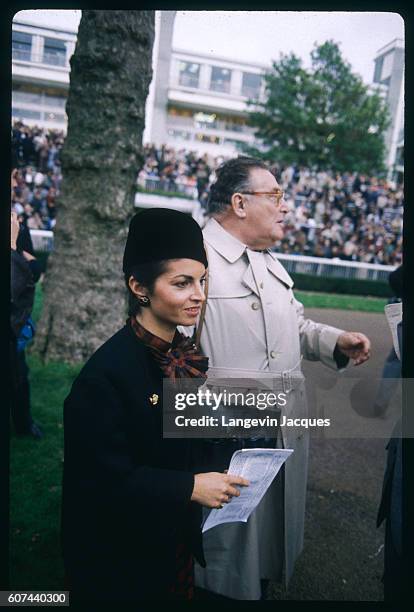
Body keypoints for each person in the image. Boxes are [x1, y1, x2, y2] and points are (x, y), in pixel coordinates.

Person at [194, 157, 371, 600]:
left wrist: (334, 340)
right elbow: (165, 362)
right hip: (223, 440)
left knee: (265, 550)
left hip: (278, 437)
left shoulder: (266, 260)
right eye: (275, 196)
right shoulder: (194, 258)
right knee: (221, 562)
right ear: (239, 203)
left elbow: (293, 325)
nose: (285, 207)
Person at [61, 208, 249, 603]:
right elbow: (100, 482)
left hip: (171, 543)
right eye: (182, 283)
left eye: (202, 280)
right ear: (138, 286)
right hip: (120, 560)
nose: (198, 294)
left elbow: (174, 446)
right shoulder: (105, 376)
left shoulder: (181, 355)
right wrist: (191, 486)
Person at [10, 210, 43, 439]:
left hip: (16, 326)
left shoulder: (17, 220)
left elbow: (33, 268)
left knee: (20, 376)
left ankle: (24, 424)